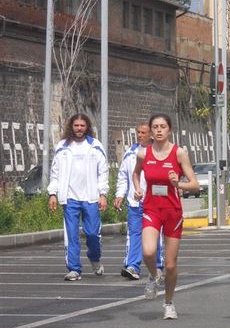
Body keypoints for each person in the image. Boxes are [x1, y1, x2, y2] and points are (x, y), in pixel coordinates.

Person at [132, 114, 199, 320]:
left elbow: (195, 184)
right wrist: (137, 189)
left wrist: (178, 184)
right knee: (148, 251)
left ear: (169, 130)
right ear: (151, 131)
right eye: (155, 127)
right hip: (152, 209)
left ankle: (168, 302)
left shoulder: (179, 153)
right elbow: (135, 174)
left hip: (173, 212)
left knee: (171, 264)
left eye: (163, 127)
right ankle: (154, 275)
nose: (159, 130)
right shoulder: (144, 154)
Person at [48, 114, 109, 281]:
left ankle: (94, 258)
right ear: (71, 127)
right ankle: (74, 268)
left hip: (91, 198)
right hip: (70, 198)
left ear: (87, 127)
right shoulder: (63, 146)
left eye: (82, 125)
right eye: (76, 125)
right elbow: (55, 173)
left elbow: (103, 172)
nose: (79, 128)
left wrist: (103, 194)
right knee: (71, 235)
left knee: (92, 234)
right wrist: (52, 193)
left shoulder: (95, 146)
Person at [114, 123, 164, 281]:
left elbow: (164, 180)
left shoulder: (158, 152)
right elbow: (123, 176)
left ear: (151, 135)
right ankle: (132, 266)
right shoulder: (130, 153)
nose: (140, 135)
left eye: (143, 133)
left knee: (154, 236)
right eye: (138, 132)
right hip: (135, 202)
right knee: (134, 234)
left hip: (154, 203)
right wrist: (120, 195)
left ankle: (158, 266)